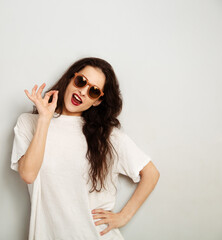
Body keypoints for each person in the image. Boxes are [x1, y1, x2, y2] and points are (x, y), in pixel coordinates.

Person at [10, 57, 160, 240]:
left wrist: (123, 216)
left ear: (97, 101)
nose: (82, 91)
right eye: (81, 81)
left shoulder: (108, 136)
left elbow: (151, 173)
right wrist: (44, 119)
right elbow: (28, 174)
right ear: (70, 79)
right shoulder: (29, 123)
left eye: (94, 91)